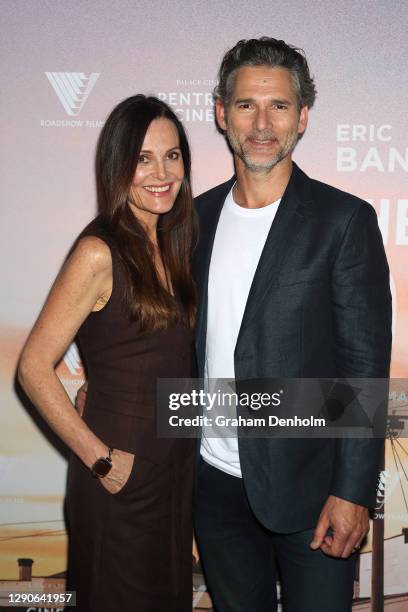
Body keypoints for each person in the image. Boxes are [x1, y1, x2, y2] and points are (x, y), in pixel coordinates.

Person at [192, 38, 392, 612]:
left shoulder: (343, 220)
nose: (261, 123)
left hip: (314, 497)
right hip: (214, 488)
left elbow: (363, 370)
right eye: (246, 105)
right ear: (220, 113)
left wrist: (352, 493)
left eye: (278, 106)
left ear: (302, 117)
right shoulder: (192, 220)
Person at [17, 95, 197, 612]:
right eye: (143, 158)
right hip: (121, 479)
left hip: (172, 478)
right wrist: (101, 462)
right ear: (118, 166)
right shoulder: (99, 251)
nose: (161, 173)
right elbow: (33, 367)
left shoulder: (173, 244)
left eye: (173, 155)